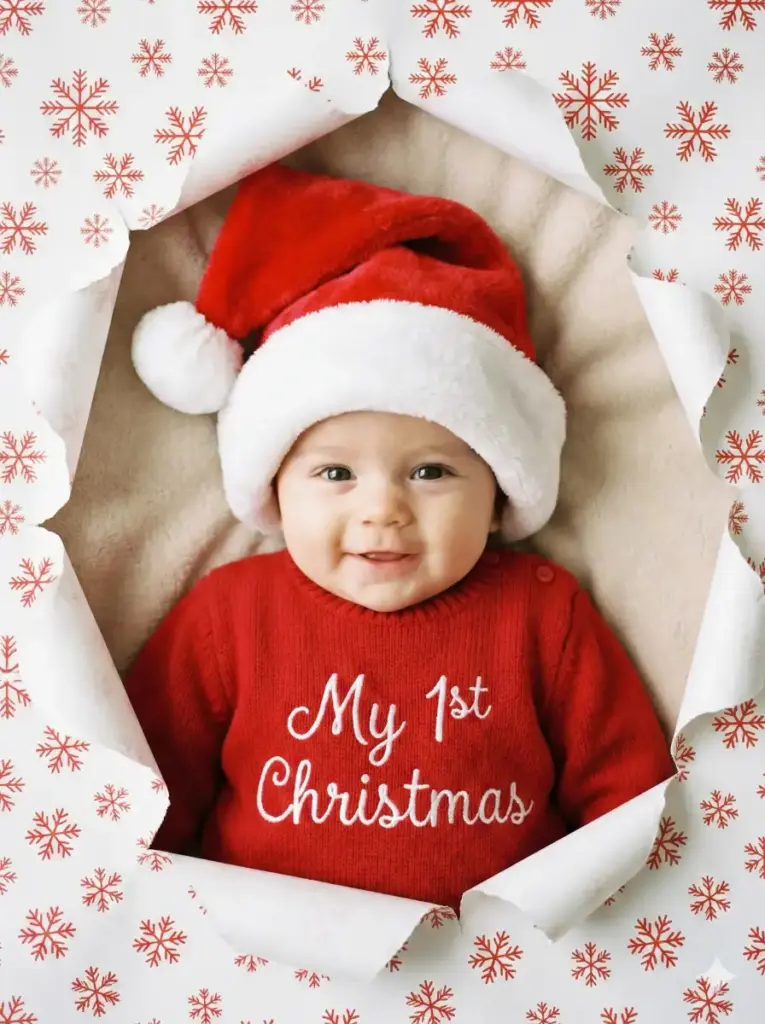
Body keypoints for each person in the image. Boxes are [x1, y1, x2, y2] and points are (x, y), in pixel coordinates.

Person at [125, 162, 675, 912]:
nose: (381, 511)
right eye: (334, 475)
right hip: (268, 963)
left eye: (430, 473)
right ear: (274, 494)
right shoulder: (230, 616)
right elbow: (138, 799)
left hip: (495, 970)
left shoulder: (543, 615)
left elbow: (630, 804)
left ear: (497, 498)